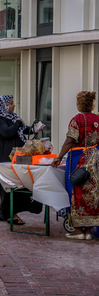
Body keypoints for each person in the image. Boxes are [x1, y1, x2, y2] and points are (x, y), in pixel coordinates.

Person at [51, 91, 99, 240]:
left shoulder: (77, 119)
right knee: (92, 193)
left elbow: (70, 141)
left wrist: (59, 157)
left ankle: (78, 230)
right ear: (92, 104)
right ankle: (89, 231)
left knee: (74, 191)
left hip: (78, 159)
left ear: (79, 104)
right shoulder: (98, 119)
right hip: (94, 159)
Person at [0, 95, 43, 224]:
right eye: (11, 103)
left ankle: (3, 212)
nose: (14, 105)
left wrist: (34, 128)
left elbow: (24, 130)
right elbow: (7, 132)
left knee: (19, 183)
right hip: (6, 155)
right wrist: (19, 123)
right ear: (3, 106)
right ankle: (10, 214)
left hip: (19, 155)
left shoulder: (13, 118)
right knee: (8, 184)